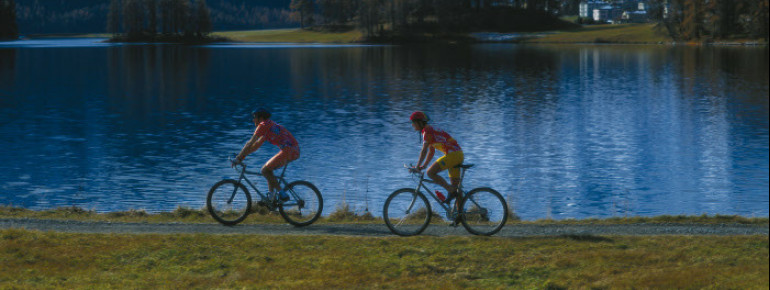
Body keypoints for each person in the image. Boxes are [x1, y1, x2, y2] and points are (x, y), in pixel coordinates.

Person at [233, 108, 299, 201]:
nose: (253, 120)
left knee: (264, 170)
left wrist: (238, 158)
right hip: (293, 150)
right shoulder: (269, 125)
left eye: (255, 117)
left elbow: (250, 143)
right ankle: (271, 198)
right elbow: (255, 146)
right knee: (268, 170)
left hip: (289, 151)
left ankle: (282, 193)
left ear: (261, 118)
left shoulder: (263, 125)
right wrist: (242, 157)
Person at [409, 111, 464, 204]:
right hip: (458, 154)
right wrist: (423, 166)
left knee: (430, 173)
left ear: (419, 122)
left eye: (413, 122)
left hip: (452, 155)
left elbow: (424, 150)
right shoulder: (430, 130)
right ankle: (460, 216)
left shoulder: (427, 131)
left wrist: (418, 166)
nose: (412, 125)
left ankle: (450, 190)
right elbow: (431, 151)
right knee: (456, 188)